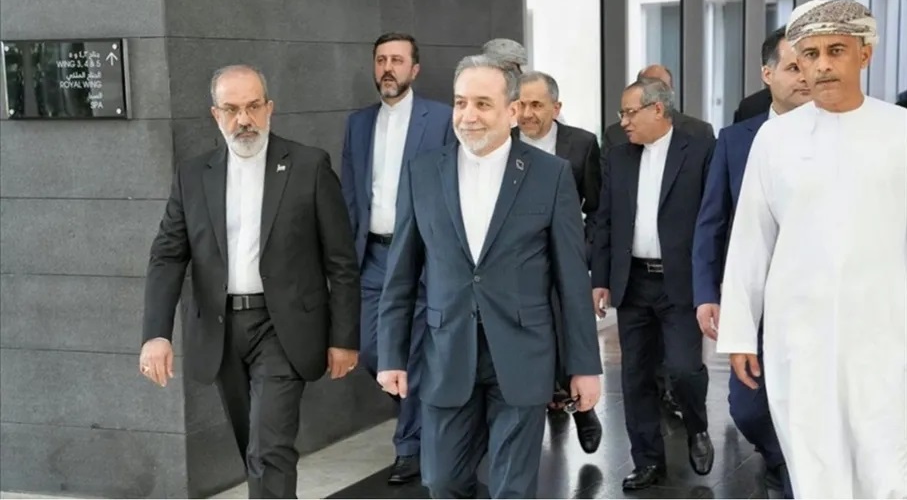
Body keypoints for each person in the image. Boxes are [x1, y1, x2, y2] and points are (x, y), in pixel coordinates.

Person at [376, 55, 602, 499]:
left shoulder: (550, 175)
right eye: (461, 103)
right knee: (442, 480)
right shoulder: (423, 172)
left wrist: (584, 367)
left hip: (523, 354)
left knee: (511, 489)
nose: (468, 115)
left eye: (482, 104)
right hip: (446, 352)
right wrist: (391, 355)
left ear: (512, 111)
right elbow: (400, 275)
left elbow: (572, 279)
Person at [140, 65, 360, 498]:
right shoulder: (193, 175)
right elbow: (167, 256)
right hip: (221, 330)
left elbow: (341, 261)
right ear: (215, 114)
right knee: (252, 446)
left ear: (269, 108)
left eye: (253, 107)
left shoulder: (308, 166)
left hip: (283, 327)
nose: (244, 119)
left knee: (268, 447)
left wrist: (344, 337)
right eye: (232, 109)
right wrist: (156, 334)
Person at [717, 0, 907, 498]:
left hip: (886, 333)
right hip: (799, 336)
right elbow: (751, 238)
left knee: (887, 463)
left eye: (836, 51)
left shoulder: (901, 132)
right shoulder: (774, 138)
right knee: (813, 461)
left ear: (864, 54)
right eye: (810, 54)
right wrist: (740, 332)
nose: (822, 65)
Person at [692, 25, 809, 499]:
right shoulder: (737, 139)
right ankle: (781, 458)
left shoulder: (835, 136)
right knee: (748, 408)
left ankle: (798, 473)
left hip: (817, 298)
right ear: (768, 74)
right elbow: (711, 220)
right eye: (794, 66)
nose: (806, 76)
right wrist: (706, 294)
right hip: (757, 297)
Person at [340, 32, 454, 485]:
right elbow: (352, 193)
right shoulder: (358, 123)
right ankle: (423, 413)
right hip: (373, 255)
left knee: (416, 351)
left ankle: (410, 446)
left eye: (397, 60)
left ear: (415, 69)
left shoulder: (441, 119)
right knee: (373, 349)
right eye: (381, 60)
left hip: (423, 255)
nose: (388, 68)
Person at [591, 77, 715, 490]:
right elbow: (605, 220)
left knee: (683, 369)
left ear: (657, 110)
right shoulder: (619, 156)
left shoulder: (698, 150)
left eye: (630, 112)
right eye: (622, 113)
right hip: (634, 282)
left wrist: (712, 283)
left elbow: (714, 218)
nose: (623, 122)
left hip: (680, 281)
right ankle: (647, 461)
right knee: (635, 377)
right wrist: (600, 278)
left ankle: (696, 425)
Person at [513, 70, 603, 453]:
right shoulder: (503, 143)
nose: (527, 114)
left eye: (536, 105)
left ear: (556, 107)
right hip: (519, 263)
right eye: (521, 105)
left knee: (568, 328)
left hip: (566, 257)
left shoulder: (581, 145)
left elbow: (597, 208)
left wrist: (583, 252)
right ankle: (553, 399)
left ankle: (582, 407)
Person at [601, 64, 715, 151]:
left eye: (662, 88)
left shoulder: (700, 133)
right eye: (649, 87)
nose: (656, 93)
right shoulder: (615, 136)